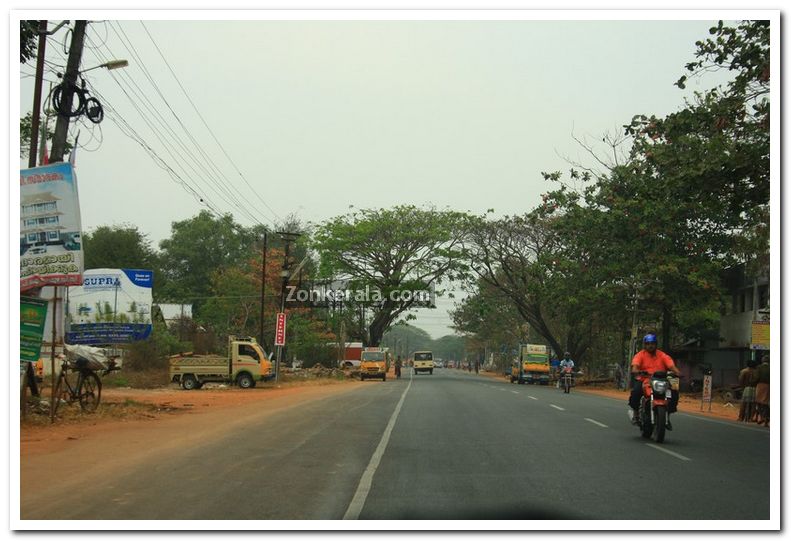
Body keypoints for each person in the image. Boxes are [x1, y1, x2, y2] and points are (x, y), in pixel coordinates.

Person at [628, 334, 681, 429]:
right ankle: (636, 414)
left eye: (652, 343)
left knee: (674, 391)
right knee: (635, 392)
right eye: (648, 344)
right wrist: (637, 371)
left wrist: (677, 373)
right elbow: (635, 367)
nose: (650, 345)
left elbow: (671, 366)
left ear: (656, 344)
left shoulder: (662, 355)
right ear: (644, 345)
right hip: (645, 379)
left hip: (662, 380)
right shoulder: (640, 355)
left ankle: (667, 416)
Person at [754, 354, 770, 426]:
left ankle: (763, 417)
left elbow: (756, 377)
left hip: (761, 385)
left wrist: (753, 383)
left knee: (759, 402)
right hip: (769, 386)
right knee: (766, 403)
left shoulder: (759, 368)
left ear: (762, 360)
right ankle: (766, 419)